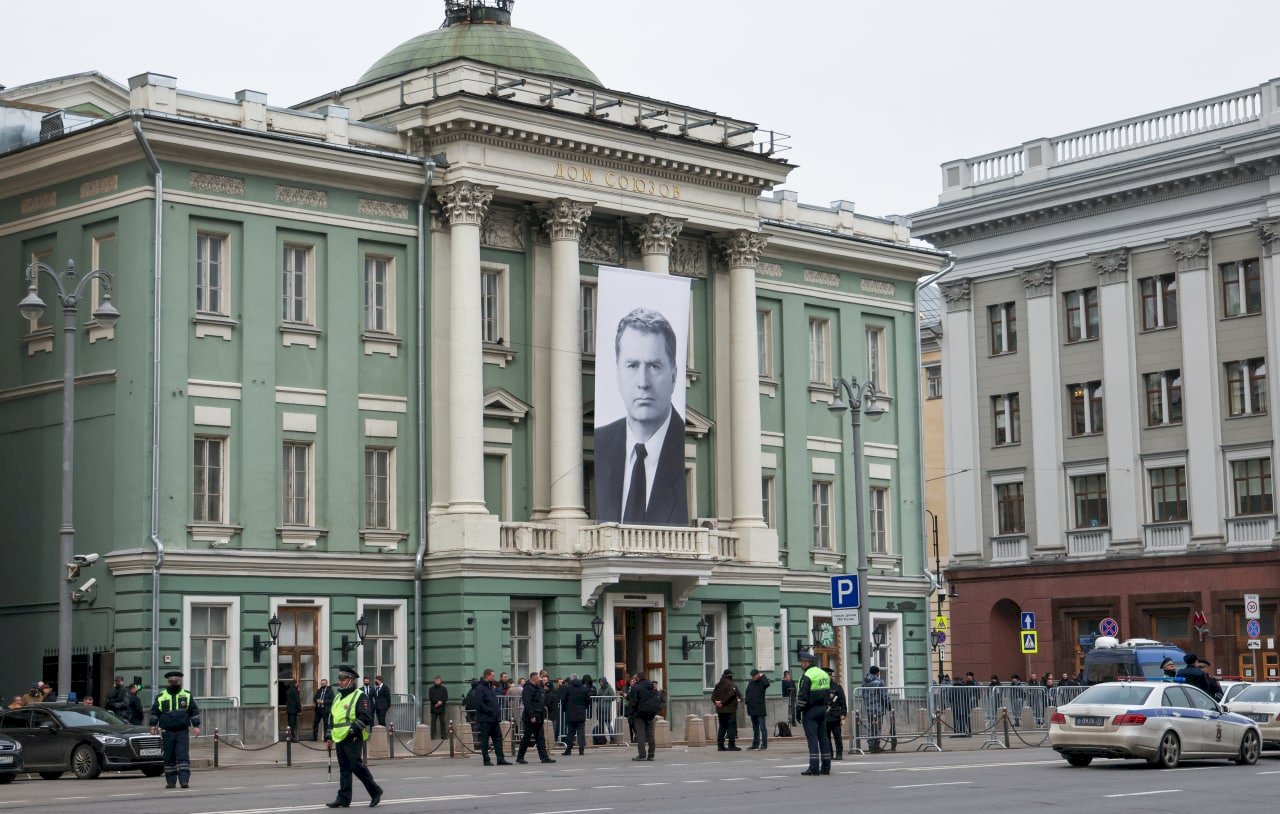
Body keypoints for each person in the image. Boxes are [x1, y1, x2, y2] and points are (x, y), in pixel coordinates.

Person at [594, 307, 689, 526]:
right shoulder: (603, 442)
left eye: (654, 366)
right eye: (633, 366)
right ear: (617, 374)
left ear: (674, 376)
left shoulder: (680, 449)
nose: (643, 382)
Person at [324, 664, 383, 808]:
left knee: (355, 766)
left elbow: (365, 717)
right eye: (340, 679)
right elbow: (332, 718)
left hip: (353, 737)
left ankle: (375, 791)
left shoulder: (360, 696)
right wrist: (328, 736)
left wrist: (352, 732)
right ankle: (344, 798)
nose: (340, 681)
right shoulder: (337, 697)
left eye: (343, 679)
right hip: (339, 737)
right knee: (344, 769)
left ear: (351, 680)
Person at [149, 670, 201, 790]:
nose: (174, 683)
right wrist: (152, 725)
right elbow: (154, 712)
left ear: (180, 682)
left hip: (182, 731)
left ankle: (184, 781)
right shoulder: (161, 696)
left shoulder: (186, 695)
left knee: (183, 756)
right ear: (168, 683)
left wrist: (196, 726)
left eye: (176, 681)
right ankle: (171, 782)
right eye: (172, 682)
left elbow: (194, 711)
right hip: (167, 731)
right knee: (169, 757)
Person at [795, 652, 831, 776]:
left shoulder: (807, 676)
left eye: (802, 662)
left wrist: (798, 710)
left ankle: (814, 767)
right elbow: (828, 692)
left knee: (812, 739)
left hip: (810, 710)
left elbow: (803, 695)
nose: (801, 664)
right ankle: (826, 766)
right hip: (823, 709)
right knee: (824, 738)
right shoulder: (823, 674)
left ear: (806, 663)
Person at [515, 671, 555, 764]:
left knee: (540, 737)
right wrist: (532, 715)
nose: (540, 680)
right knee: (527, 738)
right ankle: (520, 757)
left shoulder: (538, 688)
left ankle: (544, 757)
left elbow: (541, 700)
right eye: (538, 678)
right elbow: (527, 703)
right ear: (533, 678)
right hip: (531, 717)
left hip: (539, 716)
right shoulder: (528, 689)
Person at [474, 668, 511, 766]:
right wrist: (490, 711)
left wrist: (496, 712)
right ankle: (486, 760)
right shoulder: (480, 688)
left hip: (494, 719)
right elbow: (479, 704)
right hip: (485, 719)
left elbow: (493, 702)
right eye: (493, 676)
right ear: (488, 676)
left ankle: (500, 759)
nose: (494, 678)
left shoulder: (491, 687)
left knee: (498, 739)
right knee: (485, 740)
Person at [626, 670, 660, 761]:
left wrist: (630, 713)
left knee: (640, 734)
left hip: (639, 714)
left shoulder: (636, 687)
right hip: (650, 713)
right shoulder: (651, 686)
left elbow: (633, 701)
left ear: (638, 678)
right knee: (650, 734)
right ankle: (651, 754)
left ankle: (642, 755)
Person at [711, 669, 742, 751]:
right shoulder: (731, 684)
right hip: (730, 710)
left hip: (720, 710)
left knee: (722, 727)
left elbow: (713, 696)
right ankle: (731, 745)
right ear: (730, 676)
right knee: (731, 727)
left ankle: (720, 746)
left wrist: (716, 702)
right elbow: (731, 694)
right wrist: (723, 702)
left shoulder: (718, 684)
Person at [561, 674, 590, 756]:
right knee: (581, 731)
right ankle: (581, 749)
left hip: (570, 713)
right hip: (581, 712)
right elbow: (588, 700)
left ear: (571, 680)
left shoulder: (567, 688)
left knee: (570, 732)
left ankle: (568, 749)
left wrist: (564, 709)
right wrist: (584, 707)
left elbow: (564, 700)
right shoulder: (584, 688)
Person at [862, 665, 887, 753]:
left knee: (871, 726)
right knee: (877, 727)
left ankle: (870, 745)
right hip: (878, 708)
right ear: (877, 672)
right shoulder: (879, 682)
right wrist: (887, 705)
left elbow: (863, 695)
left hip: (869, 708)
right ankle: (876, 746)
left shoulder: (865, 682)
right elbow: (884, 695)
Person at [745, 668, 771, 750]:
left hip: (760, 708)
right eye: (752, 676)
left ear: (758, 674)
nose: (753, 677)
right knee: (755, 728)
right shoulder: (751, 682)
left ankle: (764, 744)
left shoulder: (762, 682)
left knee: (762, 727)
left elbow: (767, 684)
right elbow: (747, 692)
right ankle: (755, 744)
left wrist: (762, 675)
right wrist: (747, 702)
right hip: (752, 708)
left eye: (754, 676)